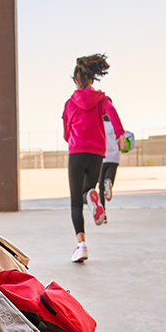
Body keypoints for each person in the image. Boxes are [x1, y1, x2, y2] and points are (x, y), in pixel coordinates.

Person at [62, 54, 127, 262]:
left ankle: (81, 246)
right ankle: (92, 194)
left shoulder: (69, 104)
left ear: (75, 80)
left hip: (77, 151)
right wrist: (119, 134)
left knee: (75, 202)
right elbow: (112, 113)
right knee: (87, 190)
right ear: (92, 80)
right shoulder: (102, 99)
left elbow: (66, 134)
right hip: (97, 153)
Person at [98, 115, 134, 223]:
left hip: (102, 157)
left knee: (100, 187)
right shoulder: (115, 126)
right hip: (114, 157)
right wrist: (129, 148)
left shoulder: (99, 125)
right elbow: (130, 135)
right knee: (109, 177)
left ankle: (103, 214)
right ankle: (109, 181)